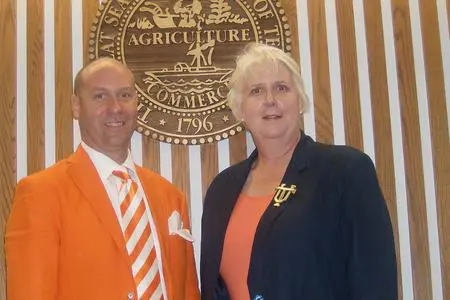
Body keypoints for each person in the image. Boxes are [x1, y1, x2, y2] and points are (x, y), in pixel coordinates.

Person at [200, 43, 397, 300]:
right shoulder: (221, 189)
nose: (270, 100)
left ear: (300, 101)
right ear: (240, 110)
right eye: (256, 91)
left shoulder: (345, 172)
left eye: (281, 88)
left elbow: (375, 283)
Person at [6, 58, 200, 300]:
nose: (115, 107)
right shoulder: (40, 193)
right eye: (100, 96)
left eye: (125, 95)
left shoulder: (171, 196)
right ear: (76, 106)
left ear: (137, 103)